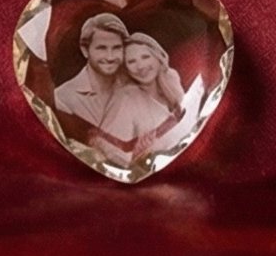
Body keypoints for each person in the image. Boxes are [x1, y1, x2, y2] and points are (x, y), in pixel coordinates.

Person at [93, 33, 185, 164]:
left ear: (158, 56)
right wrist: (139, 154)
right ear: (125, 68)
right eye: (131, 61)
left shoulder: (171, 79)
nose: (140, 66)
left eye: (145, 57)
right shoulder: (126, 98)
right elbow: (106, 152)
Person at [53, 13, 129, 129]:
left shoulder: (136, 89)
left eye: (117, 48)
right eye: (101, 48)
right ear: (85, 50)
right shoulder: (62, 98)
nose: (110, 57)